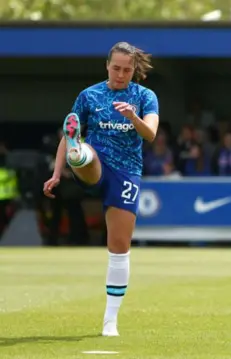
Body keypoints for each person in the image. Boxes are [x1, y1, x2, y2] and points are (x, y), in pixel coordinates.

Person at [43, 41, 159, 337]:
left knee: (119, 248)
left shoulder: (145, 96)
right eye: (116, 68)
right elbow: (66, 135)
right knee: (86, 155)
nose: (121, 74)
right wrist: (57, 173)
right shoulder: (89, 95)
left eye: (127, 70)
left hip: (127, 174)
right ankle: (77, 153)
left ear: (134, 70)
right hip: (97, 163)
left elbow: (151, 133)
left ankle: (110, 321)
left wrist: (133, 117)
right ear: (107, 65)